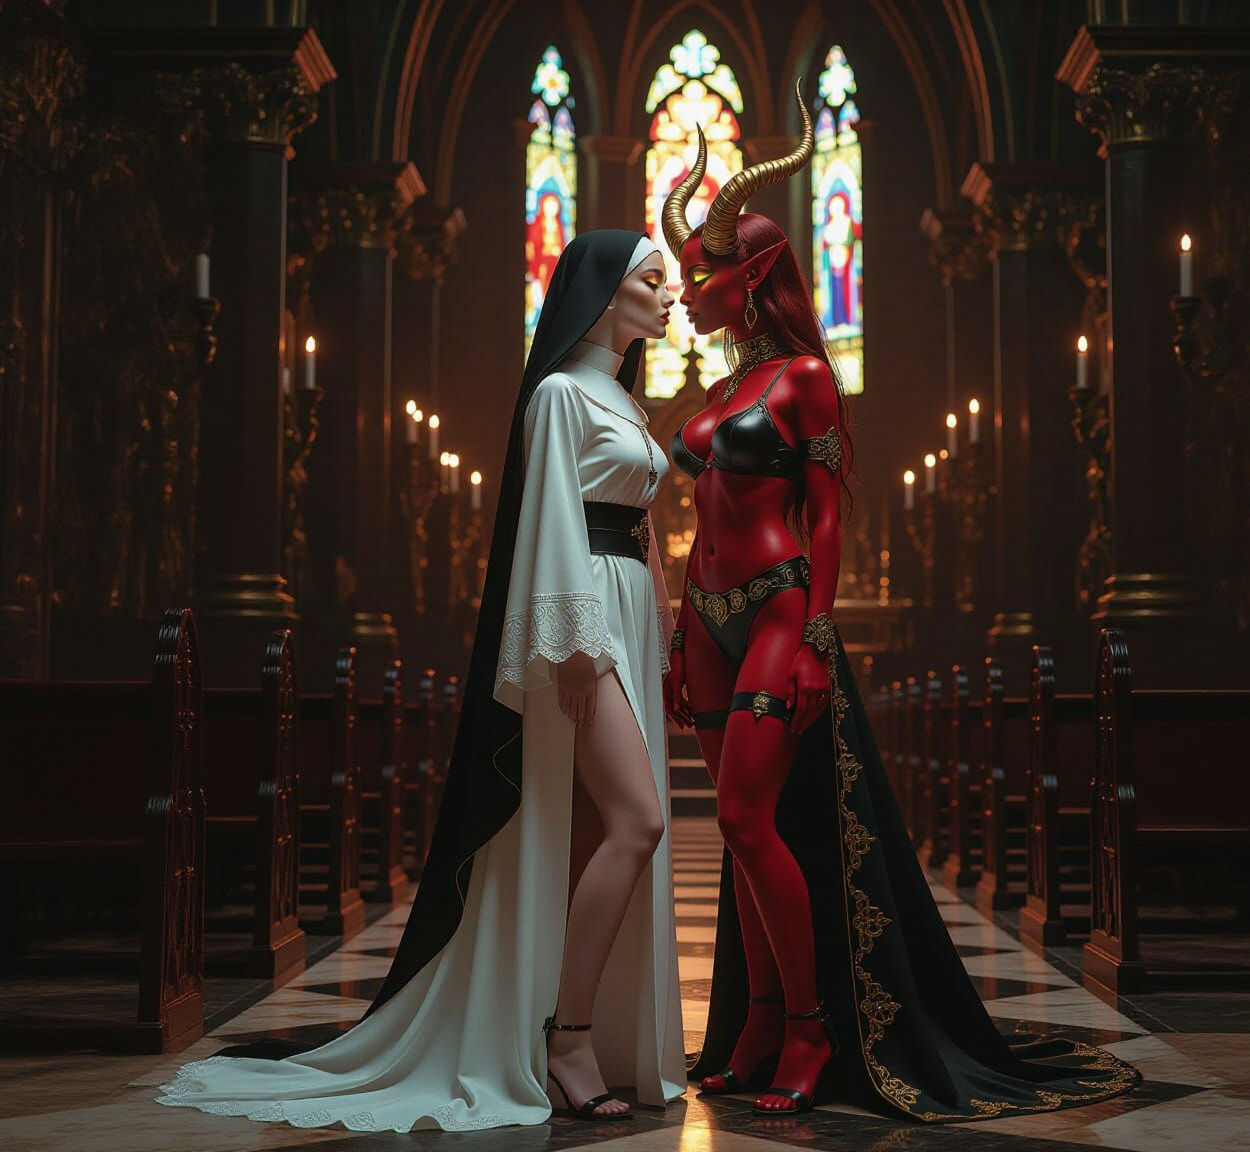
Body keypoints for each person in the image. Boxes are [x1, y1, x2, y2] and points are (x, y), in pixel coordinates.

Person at [662, 85, 1141, 1120]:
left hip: (779, 606)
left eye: (699, 277)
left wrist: (814, 639)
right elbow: (701, 515)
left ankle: (805, 1028)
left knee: (747, 817)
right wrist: (673, 622)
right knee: (743, 826)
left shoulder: (802, 382)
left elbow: (828, 518)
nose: (684, 294)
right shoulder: (711, 396)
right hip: (703, 617)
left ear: (749, 276)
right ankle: (749, 1022)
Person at [156, 230, 686, 1131]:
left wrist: (662, 612)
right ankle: (568, 1037)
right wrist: (572, 645)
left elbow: (634, 522)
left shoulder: (620, 397)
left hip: (625, 606)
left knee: (595, 824)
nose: (670, 295)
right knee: (638, 820)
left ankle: (590, 1031)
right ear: (601, 297)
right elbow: (550, 516)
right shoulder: (560, 393)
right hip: (582, 618)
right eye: (651, 281)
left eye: (669, 283)